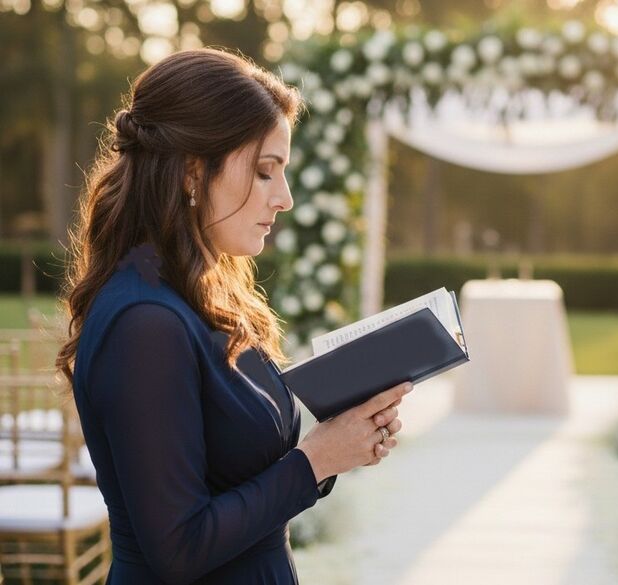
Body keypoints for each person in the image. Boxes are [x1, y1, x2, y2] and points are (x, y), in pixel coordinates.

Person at [55, 47, 412, 584]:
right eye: (266, 172)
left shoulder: (203, 297)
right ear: (194, 173)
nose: (285, 198)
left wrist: (342, 436)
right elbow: (178, 548)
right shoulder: (144, 323)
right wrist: (315, 460)